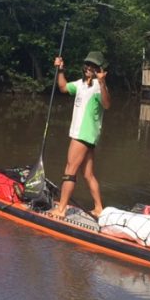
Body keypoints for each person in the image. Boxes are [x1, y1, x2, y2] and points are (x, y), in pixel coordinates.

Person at [48, 51, 111, 218]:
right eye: (88, 65)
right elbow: (63, 88)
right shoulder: (81, 84)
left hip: (83, 134)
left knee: (70, 171)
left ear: (100, 70)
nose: (89, 68)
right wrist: (60, 70)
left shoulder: (98, 86)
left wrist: (103, 82)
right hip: (87, 136)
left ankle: (61, 210)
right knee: (88, 174)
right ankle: (99, 208)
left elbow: (106, 104)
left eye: (94, 66)